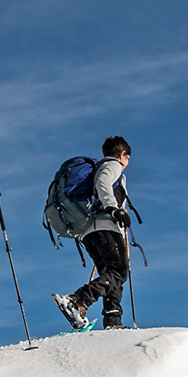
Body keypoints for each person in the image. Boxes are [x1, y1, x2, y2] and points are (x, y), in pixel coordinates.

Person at [52, 136, 132, 330]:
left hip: (89, 232)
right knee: (118, 272)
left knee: (110, 274)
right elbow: (103, 183)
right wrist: (114, 208)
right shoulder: (112, 165)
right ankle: (78, 300)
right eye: (128, 158)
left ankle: (113, 321)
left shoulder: (98, 168)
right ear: (122, 154)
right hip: (105, 227)